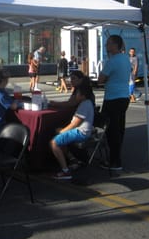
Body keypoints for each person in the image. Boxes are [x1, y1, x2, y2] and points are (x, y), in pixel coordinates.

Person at [50, 74, 95, 180]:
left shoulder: (85, 105)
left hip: (81, 132)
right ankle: (72, 158)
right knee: (57, 131)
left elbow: (75, 124)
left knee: (53, 143)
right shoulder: (85, 103)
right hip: (80, 130)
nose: (76, 95)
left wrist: (63, 131)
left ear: (83, 95)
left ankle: (65, 171)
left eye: (78, 93)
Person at [98, 35, 130, 171]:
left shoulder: (112, 61)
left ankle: (115, 162)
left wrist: (106, 78)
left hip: (113, 98)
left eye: (108, 44)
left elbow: (100, 79)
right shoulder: (125, 58)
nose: (106, 46)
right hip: (124, 97)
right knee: (119, 129)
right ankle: (116, 159)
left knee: (111, 131)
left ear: (115, 45)